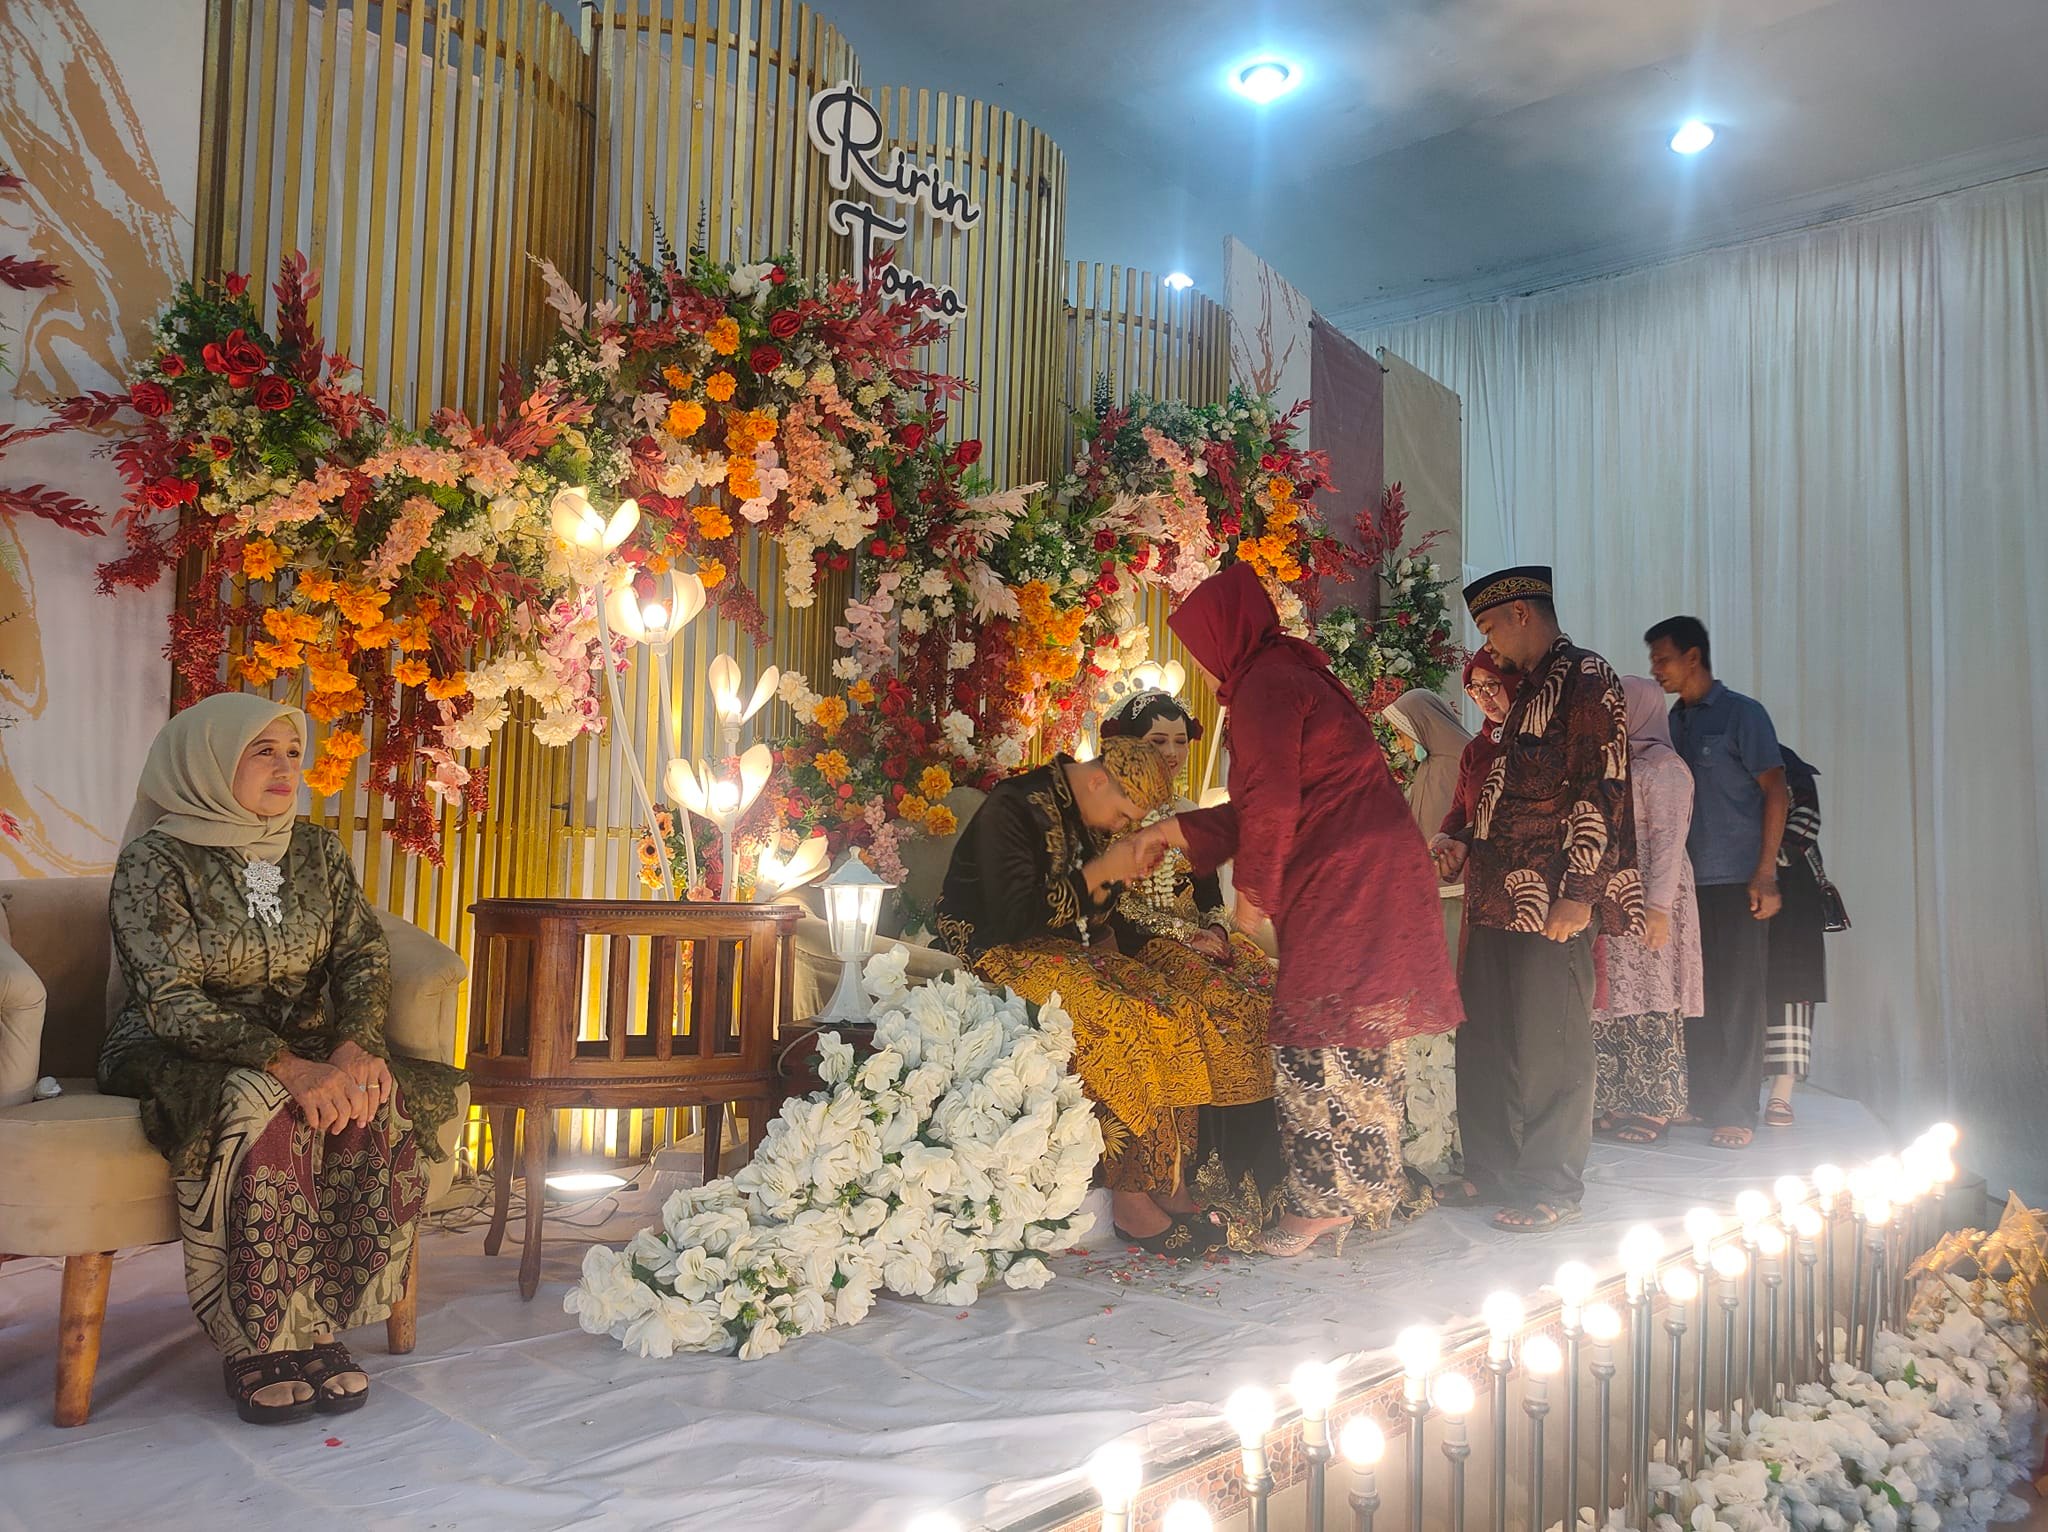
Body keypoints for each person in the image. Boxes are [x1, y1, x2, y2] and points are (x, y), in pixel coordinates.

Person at [99, 695, 466, 1425]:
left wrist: (356, 1042)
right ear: (205, 762)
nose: (285, 767)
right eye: (262, 750)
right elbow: (169, 998)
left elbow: (361, 953)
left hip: (306, 1043)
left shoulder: (316, 851)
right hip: (179, 1046)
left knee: (375, 1090)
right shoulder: (157, 861)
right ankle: (255, 1339)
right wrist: (286, 1065)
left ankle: (318, 1323)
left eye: (293, 752)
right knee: (260, 1100)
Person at [1153, 563, 1464, 1258]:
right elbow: (1262, 805)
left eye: (1200, 650)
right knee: (1359, 1029)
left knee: (1314, 1034)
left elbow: (1270, 804)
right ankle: (1361, 1191)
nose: (1202, 667)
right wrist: (1179, 834)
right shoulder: (1291, 672)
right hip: (1369, 870)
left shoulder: (1264, 686)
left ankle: (1320, 1203)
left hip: (1346, 877)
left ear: (1223, 637)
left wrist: (1249, 903)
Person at [934, 735, 1274, 1259]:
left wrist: (1112, 883)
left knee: (1174, 1010)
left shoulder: (1088, 812)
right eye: (1121, 814)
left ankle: (1168, 1179)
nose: (1120, 826)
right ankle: (1130, 1198)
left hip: (1067, 950)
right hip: (993, 946)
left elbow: (1094, 910)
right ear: (1097, 781)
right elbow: (1011, 917)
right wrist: (1101, 873)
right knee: (1116, 1017)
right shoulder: (1014, 807)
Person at [1434, 565, 1643, 1233]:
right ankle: (1490, 1168)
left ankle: (1551, 1184)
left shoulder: (1587, 677)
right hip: (1495, 896)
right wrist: (1461, 841)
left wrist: (1579, 894)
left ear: (1521, 613)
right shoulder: (1525, 693)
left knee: (1552, 1041)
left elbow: (1602, 786)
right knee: (1486, 1034)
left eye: (1490, 626)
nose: (1488, 643)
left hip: (1552, 898)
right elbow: (1506, 794)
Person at [1100, 687, 1286, 1242]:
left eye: (1179, 741)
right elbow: (1114, 908)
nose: (1172, 753)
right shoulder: (1109, 816)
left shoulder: (1186, 814)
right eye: (1157, 740)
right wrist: (1185, 936)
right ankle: (1216, 1175)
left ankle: (1276, 1176)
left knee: (1273, 991)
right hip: (1143, 948)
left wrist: (1215, 928)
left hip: (1201, 942)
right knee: (1229, 1004)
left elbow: (1208, 892)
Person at [1645, 615, 1789, 1150]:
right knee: (1696, 994)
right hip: (1684, 887)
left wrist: (1766, 872)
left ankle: (1737, 1109)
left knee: (1739, 995)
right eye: (1652, 661)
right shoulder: (1670, 722)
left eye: (1663, 659)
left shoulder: (1742, 715)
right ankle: (1703, 1099)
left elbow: (1777, 790)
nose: (1656, 670)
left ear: (1693, 657)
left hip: (1737, 879)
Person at [1590, 676, 1703, 1143]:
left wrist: (1657, 908)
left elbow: (1669, 843)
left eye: (1620, 706)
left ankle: (1655, 1108)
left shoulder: (1665, 768)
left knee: (1652, 995)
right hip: (1615, 893)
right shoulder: (1614, 762)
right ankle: (1618, 1100)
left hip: (1654, 894)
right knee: (1614, 995)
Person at [1764, 746, 1831, 1125]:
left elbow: (1805, 823)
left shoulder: (1787, 764)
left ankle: (1781, 1093)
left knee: (1791, 987)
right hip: (1732, 882)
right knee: (1736, 988)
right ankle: (1735, 1091)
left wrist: (1765, 859)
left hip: (1792, 891)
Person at [1382, 688, 1472, 844]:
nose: (1400, 743)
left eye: (1400, 733)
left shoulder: (1468, 759)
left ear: (1421, 724)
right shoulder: (1429, 763)